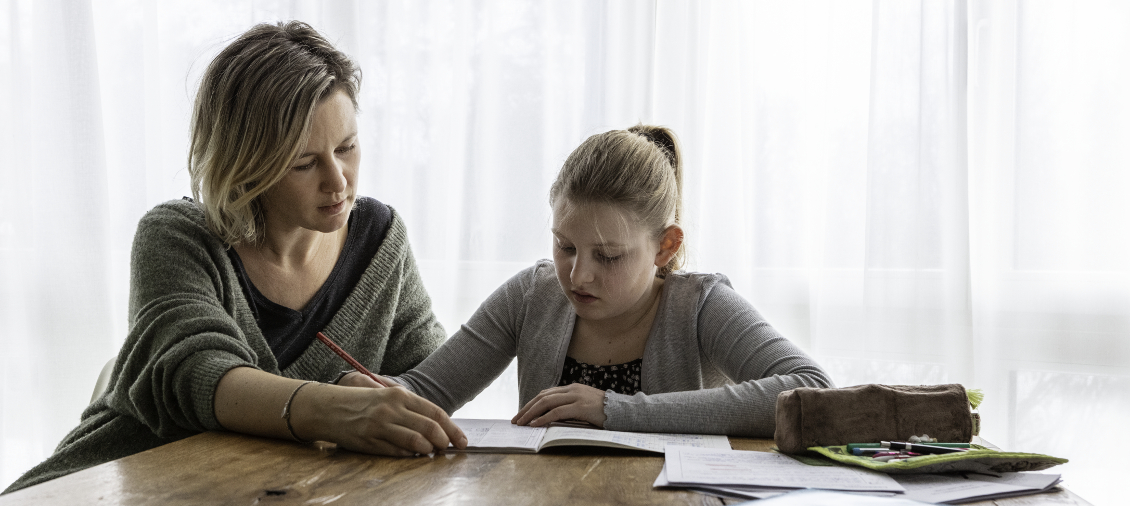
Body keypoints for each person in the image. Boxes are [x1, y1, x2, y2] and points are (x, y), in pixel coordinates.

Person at [4, 21, 464, 494]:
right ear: (247, 163)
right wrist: (332, 408)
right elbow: (193, 372)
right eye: (303, 163)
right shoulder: (177, 237)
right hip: (108, 483)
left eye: (347, 148)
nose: (338, 180)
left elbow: (432, 379)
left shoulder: (380, 239)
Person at [379, 125, 834, 436]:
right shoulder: (531, 294)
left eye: (609, 256)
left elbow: (812, 389)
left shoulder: (700, 305)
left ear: (666, 247)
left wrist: (613, 409)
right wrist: (366, 395)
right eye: (565, 246)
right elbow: (427, 390)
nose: (578, 276)